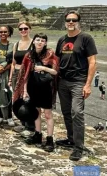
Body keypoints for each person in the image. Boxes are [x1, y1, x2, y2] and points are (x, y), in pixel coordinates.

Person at [55, 10, 97, 161]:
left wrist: (88, 85)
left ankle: (78, 147)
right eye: (68, 20)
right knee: (66, 112)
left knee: (77, 112)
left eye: (74, 20)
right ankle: (71, 139)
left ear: (78, 21)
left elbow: (92, 62)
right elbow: (57, 61)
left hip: (79, 82)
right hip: (63, 82)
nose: (71, 22)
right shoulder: (62, 40)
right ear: (65, 22)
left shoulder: (85, 38)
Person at [13, 33, 59, 152]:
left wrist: (44, 68)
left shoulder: (50, 54)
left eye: (43, 40)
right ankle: (37, 135)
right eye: (38, 40)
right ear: (33, 41)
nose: (40, 42)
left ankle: (49, 139)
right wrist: (24, 90)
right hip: (33, 87)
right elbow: (25, 74)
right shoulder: (28, 55)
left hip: (45, 88)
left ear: (45, 43)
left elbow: (55, 72)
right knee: (36, 112)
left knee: (48, 114)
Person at [8, 22, 35, 137]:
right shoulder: (16, 44)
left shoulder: (34, 43)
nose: (23, 30)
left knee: (27, 99)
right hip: (16, 74)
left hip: (27, 74)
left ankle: (30, 126)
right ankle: (23, 123)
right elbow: (13, 63)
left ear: (29, 29)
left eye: (25, 28)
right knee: (17, 100)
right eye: (21, 29)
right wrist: (10, 78)